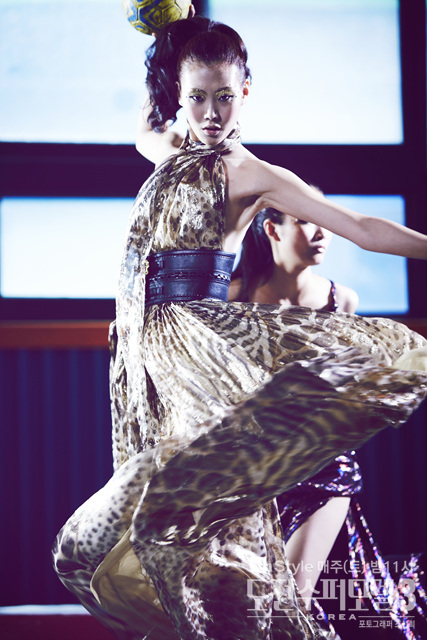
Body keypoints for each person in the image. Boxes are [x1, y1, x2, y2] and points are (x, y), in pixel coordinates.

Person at [52, 16, 427, 640]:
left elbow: (361, 228)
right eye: (197, 97)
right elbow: (145, 128)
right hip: (151, 365)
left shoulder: (250, 174)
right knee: (98, 545)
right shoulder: (170, 153)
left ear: (245, 93)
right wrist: (167, 31)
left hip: (202, 355)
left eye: (225, 96)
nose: (211, 113)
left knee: (187, 536)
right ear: (179, 94)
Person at [230, 207, 427, 638]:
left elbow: (349, 380)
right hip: (252, 472)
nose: (322, 232)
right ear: (272, 229)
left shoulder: (342, 300)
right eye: (305, 220)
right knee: (247, 607)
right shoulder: (235, 297)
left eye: (324, 223)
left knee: (292, 600)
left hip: (325, 466)